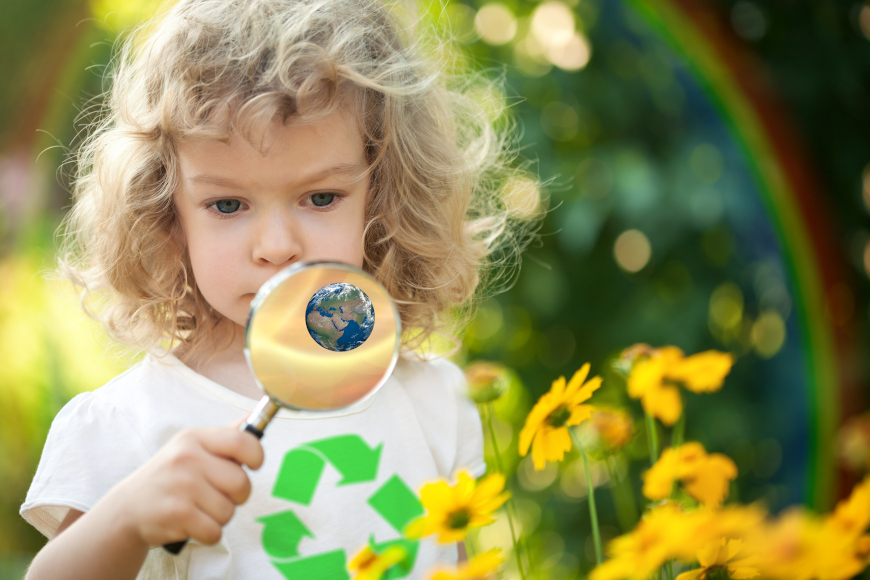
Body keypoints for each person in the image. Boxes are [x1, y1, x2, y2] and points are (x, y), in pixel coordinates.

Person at [20, 0, 534, 578]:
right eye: (227, 205)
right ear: (166, 215)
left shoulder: (434, 398)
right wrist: (126, 518)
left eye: (320, 198)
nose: (276, 244)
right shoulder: (126, 424)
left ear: (384, 199)